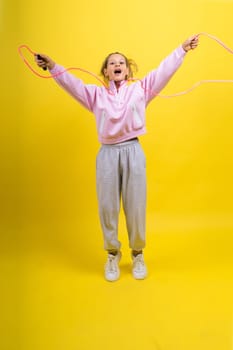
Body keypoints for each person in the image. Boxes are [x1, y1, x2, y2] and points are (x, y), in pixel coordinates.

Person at [35, 35, 199, 282]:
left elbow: (163, 71)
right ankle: (112, 253)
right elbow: (72, 84)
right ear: (106, 71)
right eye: (112, 63)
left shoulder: (141, 89)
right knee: (108, 207)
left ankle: (137, 253)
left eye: (120, 62)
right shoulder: (95, 95)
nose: (117, 65)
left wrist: (182, 50)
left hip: (133, 151)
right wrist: (52, 66)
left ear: (127, 69)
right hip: (107, 154)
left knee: (135, 206)